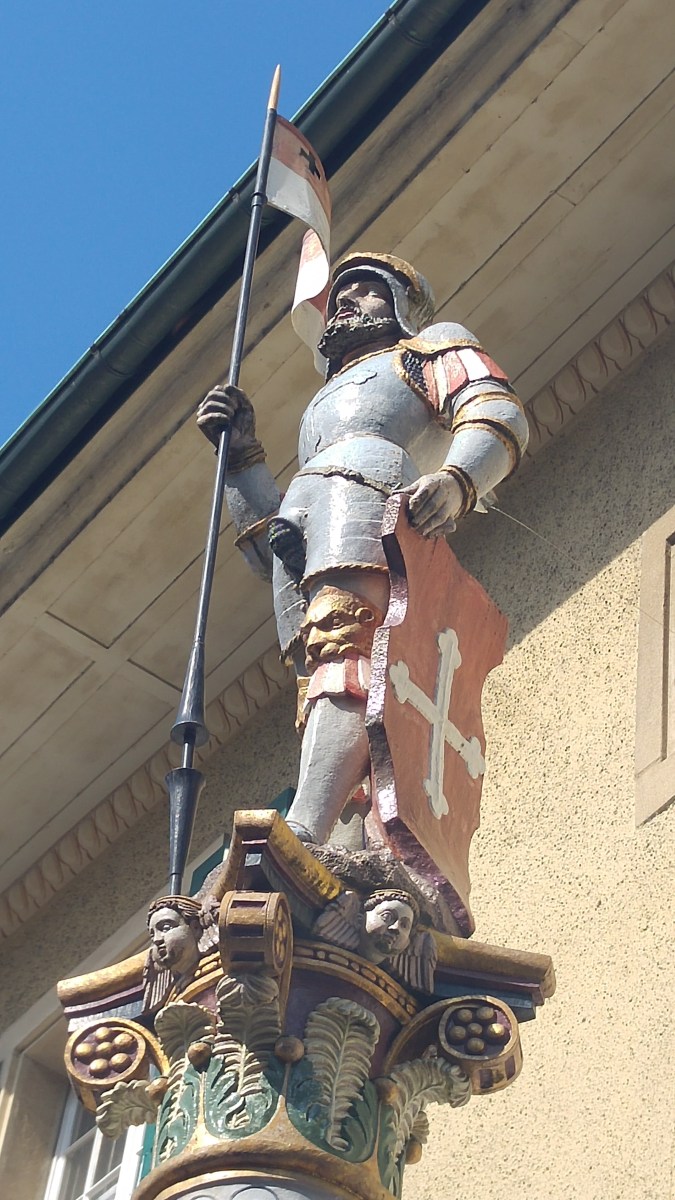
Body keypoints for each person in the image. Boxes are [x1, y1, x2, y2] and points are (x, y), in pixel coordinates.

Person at [197, 253, 528, 847]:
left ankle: (308, 823)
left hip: (372, 496)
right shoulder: (322, 405)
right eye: (340, 291)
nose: (343, 300)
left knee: (351, 652)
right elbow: (264, 553)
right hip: (308, 521)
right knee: (317, 681)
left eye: (366, 288)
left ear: (403, 303)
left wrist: (457, 479)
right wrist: (241, 458)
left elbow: (495, 410)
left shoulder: (427, 349)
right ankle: (343, 837)